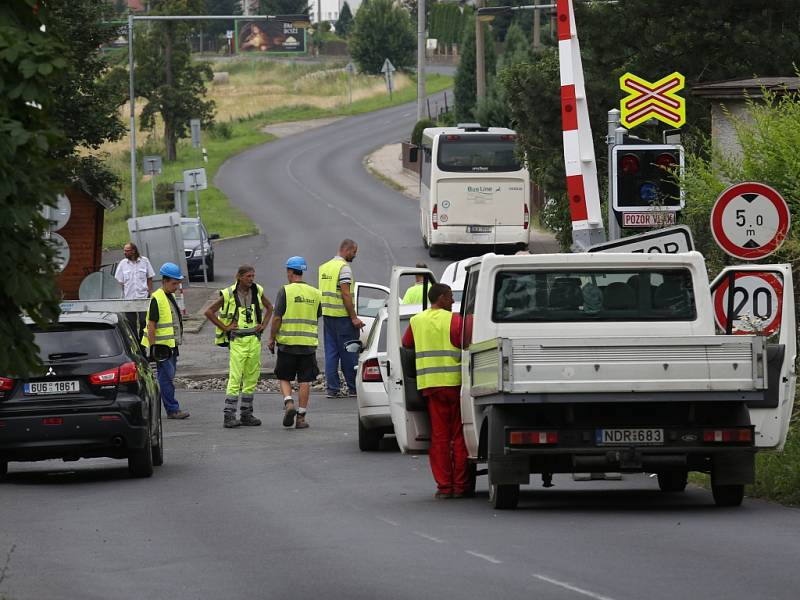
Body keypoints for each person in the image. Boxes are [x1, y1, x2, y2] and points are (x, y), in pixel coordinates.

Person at [402, 283, 468, 499]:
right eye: (449, 297)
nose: (452, 301)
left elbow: (407, 344)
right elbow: (466, 343)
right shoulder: (455, 320)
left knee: (439, 438)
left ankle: (444, 487)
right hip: (454, 385)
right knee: (458, 436)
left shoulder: (416, 321)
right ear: (440, 298)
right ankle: (460, 486)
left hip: (430, 387)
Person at [204, 265, 273, 428]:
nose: (251, 279)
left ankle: (246, 414)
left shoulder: (257, 291)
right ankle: (229, 415)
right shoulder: (229, 294)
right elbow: (209, 312)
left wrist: (263, 325)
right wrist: (225, 327)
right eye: (248, 276)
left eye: (253, 276)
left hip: (254, 340)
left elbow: (270, 307)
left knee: (252, 376)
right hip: (237, 341)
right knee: (235, 377)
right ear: (239, 277)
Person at [267, 256, 322, 430]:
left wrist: (271, 338)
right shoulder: (315, 293)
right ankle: (301, 417)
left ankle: (288, 402)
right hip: (307, 345)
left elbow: (277, 318)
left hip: (287, 344)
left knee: (284, 376)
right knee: (305, 380)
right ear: (302, 271)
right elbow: (317, 315)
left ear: (290, 272)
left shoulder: (285, 291)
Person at [141, 262, 189, 420]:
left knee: (167, 377)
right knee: (166, 379)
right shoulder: (158, 298)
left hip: (170, 346)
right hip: (162, 348)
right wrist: (153, 348)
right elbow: (151, 325)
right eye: (174, 283)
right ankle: (172, 409)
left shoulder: (169, 296)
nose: (176, 286)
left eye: (178, 283)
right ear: (165, 281)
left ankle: (169, 408)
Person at [318, 239, 365, 398]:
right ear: (347, 250)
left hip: (328, 317)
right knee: (349, 353)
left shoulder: (324, 267)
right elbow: (345, 294)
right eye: (354, 252)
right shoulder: (343, 268)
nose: (355, 255)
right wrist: (354, 318)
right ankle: (353, 388)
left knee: (331, 353)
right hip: (343, 318)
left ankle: (332, 389)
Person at [114, 242, 154, 344]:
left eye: (127, 251)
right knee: (131, 323)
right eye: (124, 250)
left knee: (143, 321)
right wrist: (122, 295)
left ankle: (142, 342)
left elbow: (150, 277)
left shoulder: (144, 261)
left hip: (143, 297)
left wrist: (149, 291)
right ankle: (136, 343)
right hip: (128, 299)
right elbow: (119, 281)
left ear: (133, 251)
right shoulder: (123, 264)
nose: (124, 252)